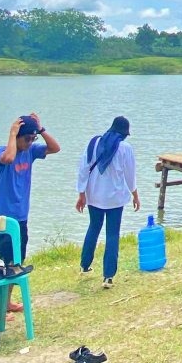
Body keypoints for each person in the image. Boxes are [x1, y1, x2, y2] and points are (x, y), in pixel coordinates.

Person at [0, 113, 60, 311]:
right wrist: (12, 133)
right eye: (27, 138)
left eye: (33, 138)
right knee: (3, 265)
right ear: (17, 137)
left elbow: (55, 148)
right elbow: (9, 157)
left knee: (16, 263)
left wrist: (41, 129)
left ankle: (6, 302)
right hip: (1, 219)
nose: (30, 142)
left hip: (21, 218)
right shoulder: (0, 152)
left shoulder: (31, 151)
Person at [76, 116, 140, 288]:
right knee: (112, 234)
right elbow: (130, 174)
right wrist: (135, 194)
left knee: (93, 227)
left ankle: (84, 265)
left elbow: (83, 168)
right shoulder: (125, 148)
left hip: (94, 195)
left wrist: (81, 193)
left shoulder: (94, 143)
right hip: (115, 198)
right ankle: (108, 277)